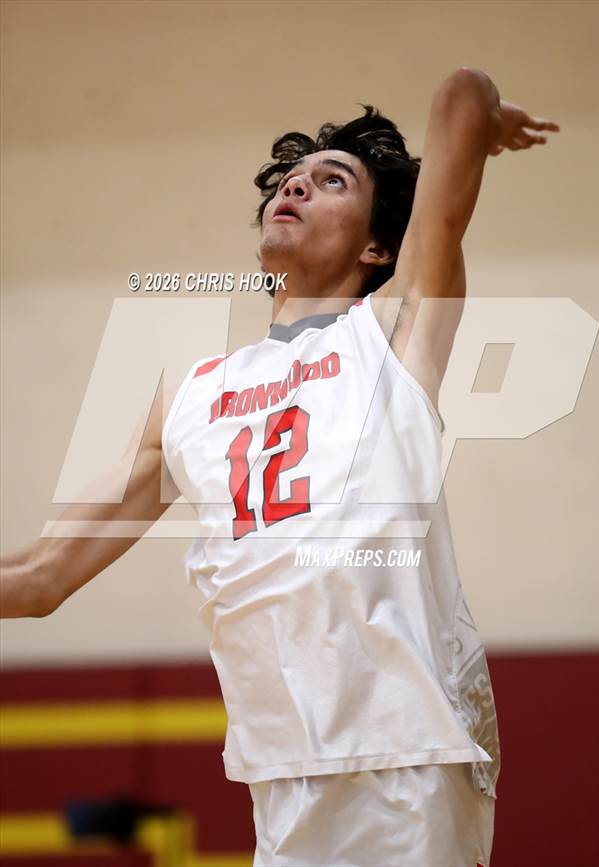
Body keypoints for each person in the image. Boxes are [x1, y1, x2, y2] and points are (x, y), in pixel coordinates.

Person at [1, 67, 559, 866]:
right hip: (279, 773)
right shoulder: (192, 395)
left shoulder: (396, 329)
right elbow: (44, 574)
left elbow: (460, 95)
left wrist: (492, 125)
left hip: (407, 754)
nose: (294, 187)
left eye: (330, 180)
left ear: (376, 245)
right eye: (289, 179)